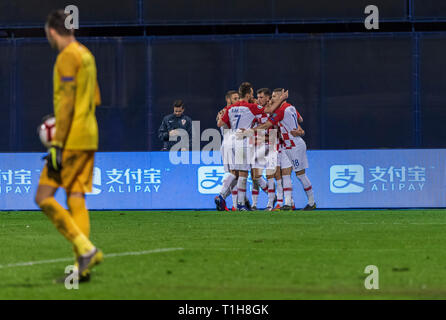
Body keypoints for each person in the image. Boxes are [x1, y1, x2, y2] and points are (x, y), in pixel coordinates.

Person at [34, 9, 103, 282]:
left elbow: (65, 105)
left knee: (43, 196)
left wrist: (56, 143)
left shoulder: (65, 58)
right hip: (89, 135)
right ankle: (82, 266)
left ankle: (87, 250)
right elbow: (95, 97)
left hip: (71, 138)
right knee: (76, 196)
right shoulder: (86, 55)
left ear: (52, 31)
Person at [216, 82, 288, 211]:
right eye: (252, 93)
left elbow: (221, 123)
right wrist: (282, 99)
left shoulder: (231, 108)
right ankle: (240, 204)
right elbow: (270, 110)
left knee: (234, 173)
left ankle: (225, 197)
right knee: (243, 173)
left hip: (230, 139)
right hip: (242, 140)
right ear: (248, 94)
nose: (253, 96)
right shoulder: (251, 107)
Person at [253, 88, 316, 211]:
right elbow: (300, 119)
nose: (272, 99)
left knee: (300, 175)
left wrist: (251, 131)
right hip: (288, 145)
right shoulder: (290, 107)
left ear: (281, 97)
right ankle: (287, 203)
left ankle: (311, 202)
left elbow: (267, 125)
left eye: (274, 97)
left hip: (293, 146)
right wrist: (298, 130)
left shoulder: (280, 111)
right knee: (287, 175)